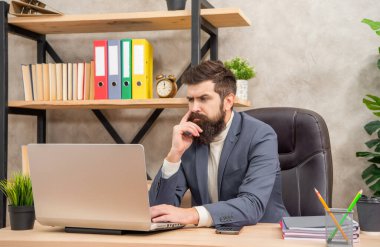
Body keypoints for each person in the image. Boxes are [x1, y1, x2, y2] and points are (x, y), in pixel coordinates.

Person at [149, 60, 288, 227]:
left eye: (203, 99)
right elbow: (156, 210)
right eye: (191, 100)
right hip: (212, 238)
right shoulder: (190, 137)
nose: (194, 108)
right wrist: (174, 154)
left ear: (228, 101)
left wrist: (192, 214)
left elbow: (252, 205)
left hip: (263, 235)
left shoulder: (261, 136)